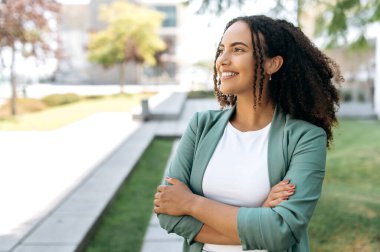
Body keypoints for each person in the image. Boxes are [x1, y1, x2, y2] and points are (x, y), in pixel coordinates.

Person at [154, 15, 342, 252]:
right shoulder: (201, 126)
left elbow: (281, 232)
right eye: (221, 50)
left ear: (272, 64)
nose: (223, 59)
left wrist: (191, 203)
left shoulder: (305, 138)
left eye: (238, 49)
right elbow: (168, 214)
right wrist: (261, 216)